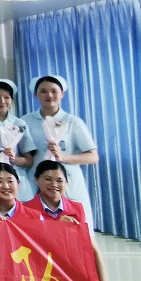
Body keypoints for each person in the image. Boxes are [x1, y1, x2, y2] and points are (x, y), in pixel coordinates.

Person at [26, 160, 117, 281]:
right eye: (48, 179)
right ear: (36, 180)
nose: (54, 184)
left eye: (59, 180)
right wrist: (55, 228)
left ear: (67, 183)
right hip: (38, 269)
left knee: (87, 276)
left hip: (69, 267)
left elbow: (93, 250)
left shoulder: (77, 208)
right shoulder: (26, 209)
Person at [21, 74, 99, 229]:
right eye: (43, 91)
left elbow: (93, 157)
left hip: (67, 181)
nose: (49, 95)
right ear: (36, 94)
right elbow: (24, 154)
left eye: (54, 91)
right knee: (36, 227)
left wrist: (63, 157)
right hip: (36, 181)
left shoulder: (72, 122)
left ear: (62, 94)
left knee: (77, 225)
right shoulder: (26, 121)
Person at [0, 78, 37, 200]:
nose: (2, 101)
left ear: (12, 100)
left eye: (6, 97)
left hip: (15, 178)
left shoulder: (19, 124)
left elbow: (29, 160)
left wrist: (14, 158)